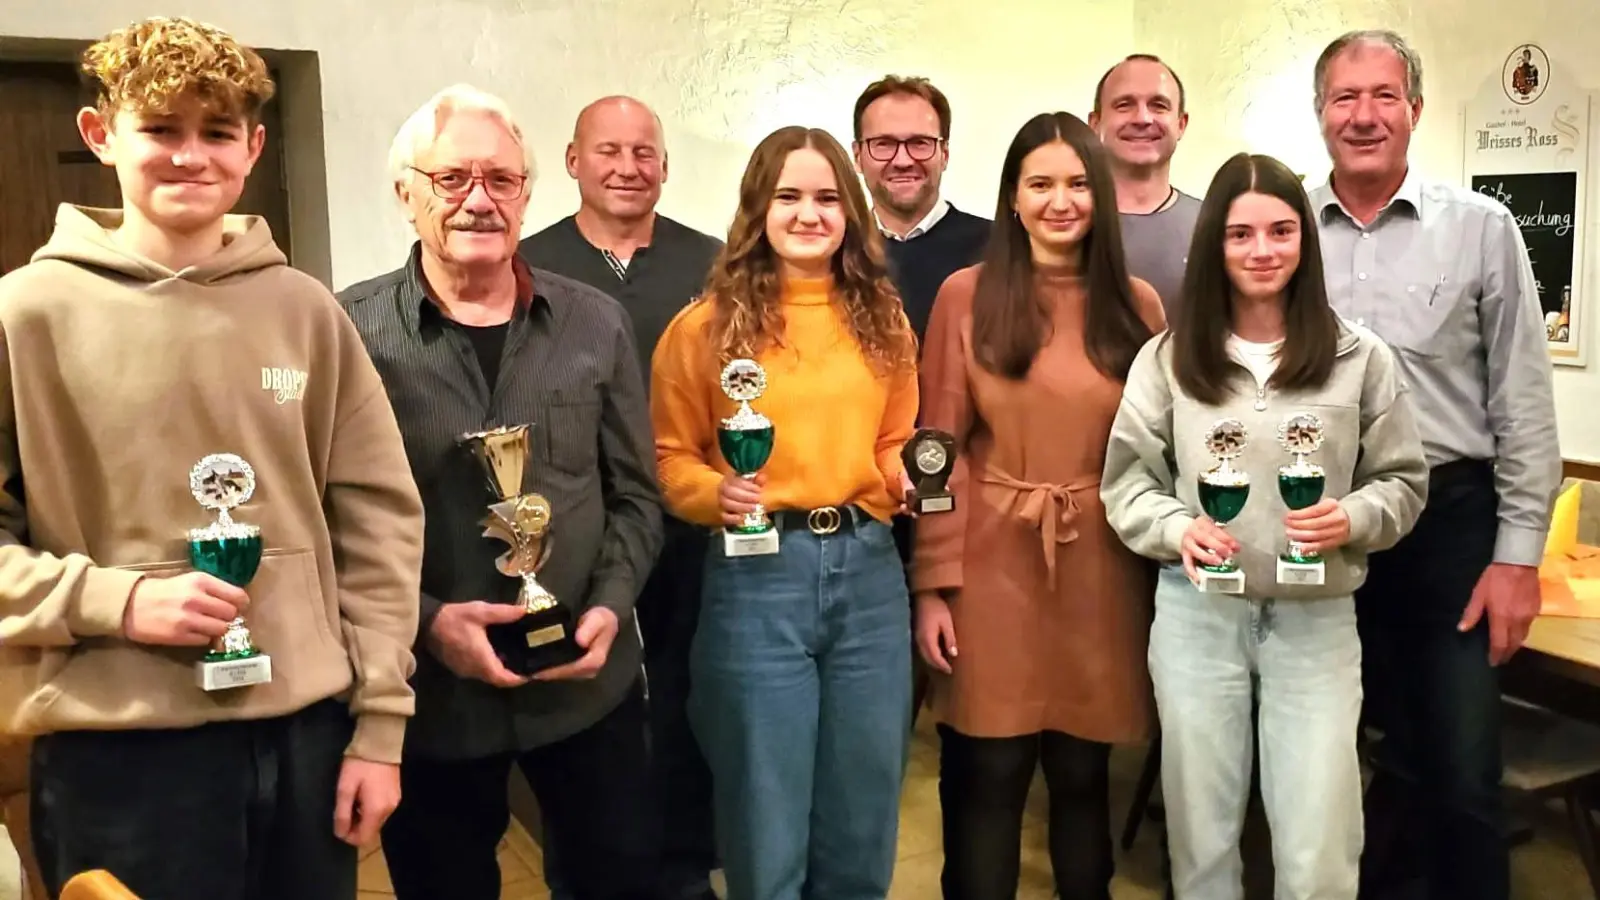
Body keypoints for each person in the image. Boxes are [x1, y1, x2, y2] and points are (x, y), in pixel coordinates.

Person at [0, 16, 425, 899]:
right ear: (100, 134)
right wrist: (117, 599)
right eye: (160, 128)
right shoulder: (22, 316)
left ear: (252, 148)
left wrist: (379, 728)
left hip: (307, 733)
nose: (189, 155)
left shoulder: (307, 310)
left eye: (216, 132)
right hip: (118, 750)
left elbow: (379, 522)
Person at [338, 84, 666, 900]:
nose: (480, 201)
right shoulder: (345, 333)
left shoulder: (595, 323)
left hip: (588, 689)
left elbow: (635, 495)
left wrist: (610, 605)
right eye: (453, 180)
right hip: (434, 701)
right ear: (406, 193)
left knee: (618, 882)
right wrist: (428, 623)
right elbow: (327, 524)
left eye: (501, 180)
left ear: (527, 191)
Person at [1102, 151, 1430, 900]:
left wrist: (1353, 515)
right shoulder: (1168, 360)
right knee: (1201, 837)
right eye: (1241, 234)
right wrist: (1179, 526)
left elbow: (1405, 483)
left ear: (1304, 243)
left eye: (1281, 231)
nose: (1262, 251)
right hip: (1197, 619)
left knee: (1320, 843)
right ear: (1214, 245)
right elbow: (1127, 484)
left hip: (1316, 622)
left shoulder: (1359, 359)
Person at [1307, 30, 1560, 900]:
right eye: (1346, 98)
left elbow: (1523, 400)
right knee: (1342, 760)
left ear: (1414, 109)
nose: (1365, 116)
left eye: (1384, 96)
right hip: (1330, 523)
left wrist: (1518, 556)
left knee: (1460, 765)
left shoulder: (1482, 229)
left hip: (1452, 524)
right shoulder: (1283, 229)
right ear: (1321, 113)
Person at [650, 125, 919, 900]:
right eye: (789, 196)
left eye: (829, 198)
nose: (810, 214)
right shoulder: (704, 327)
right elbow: (672, 460)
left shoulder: (884, 320)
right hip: (757, 579)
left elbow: (895, 436)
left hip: (869, 577)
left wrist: (905, 475)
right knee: (766, 823)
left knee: (863, 814)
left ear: (852, 212)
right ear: (757, 208)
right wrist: (717, 494)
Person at [911, 111, 1164, 900]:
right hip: (991, 571)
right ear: (1012, 199)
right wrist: (931, 585)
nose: (1061, 201)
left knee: (1086, 778)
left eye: (1078, 183)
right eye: (1040, 183)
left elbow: (1162, 452)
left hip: (1105, 572)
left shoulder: (1139, 305)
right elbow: (934, 452)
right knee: (987, 775)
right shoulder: (966, 296)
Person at [519, 94, 722, 900]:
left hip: (687, 521)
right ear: (574, 162)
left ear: (666, 169)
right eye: (609, 151)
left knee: (685, 697)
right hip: (571, 528)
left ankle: (684, 866)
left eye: (645, 153)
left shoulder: (712, 264)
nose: (628, 167)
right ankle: (586, 873)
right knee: (584, 712)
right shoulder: (528, 262)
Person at [850, 75, 991, 339]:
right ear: (857, 157)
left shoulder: (1000, 248)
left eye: (919, 143)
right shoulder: (837, 252)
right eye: (883, 144)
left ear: (944, 154)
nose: (902, 160)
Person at [1088, 54, 1201, 320]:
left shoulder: (1217, 224)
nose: (1142, 118)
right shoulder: (1062, 222)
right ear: (1095, 124)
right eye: (1124, 104)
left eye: (1158, 105)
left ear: (1181, 124)